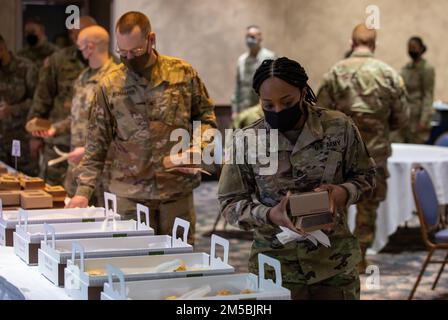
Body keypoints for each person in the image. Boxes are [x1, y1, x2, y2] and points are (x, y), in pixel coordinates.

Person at [218, 57, 376, 300]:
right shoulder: (247, 139)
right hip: (275, 266)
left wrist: (341, 193)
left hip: (333, 264)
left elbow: (367, 177)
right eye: (268, 105)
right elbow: (229, 203)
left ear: (303, 93)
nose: (278, 110)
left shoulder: (338, 127)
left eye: (287, 102)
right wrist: (271, 214)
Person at [66, 11, 216, 245]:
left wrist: (198, 147)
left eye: (135, 52)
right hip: (130, 195)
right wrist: (83, 192)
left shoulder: (182, 73)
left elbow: (206, 117)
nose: (128, 58)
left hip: (175, 190)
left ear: (151, 39)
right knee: (133, 260)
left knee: (181, 262)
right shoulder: (110, 84)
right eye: (122, 52)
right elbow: (96, 142)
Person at [316, 24, 409, 270]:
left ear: (351, 42)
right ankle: (360, 256)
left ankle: (337, 259)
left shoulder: (335, 72)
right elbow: (402, 118)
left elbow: (318, 114)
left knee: (336, 203)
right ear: (375, 44)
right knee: (369, 206)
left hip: (340, 153)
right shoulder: (388, 74)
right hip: (374, 154)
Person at [35, 26, 118, 205]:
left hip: (105, 170)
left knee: (104, 224)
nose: (77, 50)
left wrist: (88, 151)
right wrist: (54, 129)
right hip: (77, 168)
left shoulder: (116, 79)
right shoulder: (82, 77)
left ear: (89, 47)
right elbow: (76, 116)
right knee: (75, 219)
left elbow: (121, 128)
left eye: (79, 46)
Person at [27, 16, 97, 185]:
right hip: (59, 142)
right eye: (73, 34)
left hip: (91, 147)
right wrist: (35, 136)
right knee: (53, 194)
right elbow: (42, 98)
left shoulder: (109, 66)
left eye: (79, 33)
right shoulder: (58, 61)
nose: (76, 38)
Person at [0, 34, 38, 175]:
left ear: (2, 48)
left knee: (26, 182)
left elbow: (37, 101)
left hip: (20, 138)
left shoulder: (26, 68)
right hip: (1, 140)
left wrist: (12, 109)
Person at [391, 36, 435, 144]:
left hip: (418, 117)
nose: (411, 50)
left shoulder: (427, 69)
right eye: (409, 48)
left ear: (421, 48)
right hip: (405, 115)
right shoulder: (407, 68)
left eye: (414, 47)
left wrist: (424, 120)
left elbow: (428, 95)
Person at [231, 25, 276, 116]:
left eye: (252, 36)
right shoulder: (242, 60)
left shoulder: (270, 57)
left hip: (264, 109)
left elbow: (274, 84)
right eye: (247, 36)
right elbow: (238, 86)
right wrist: (235, 110)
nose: (249, 39)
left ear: (260, 38)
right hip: (245, 109)